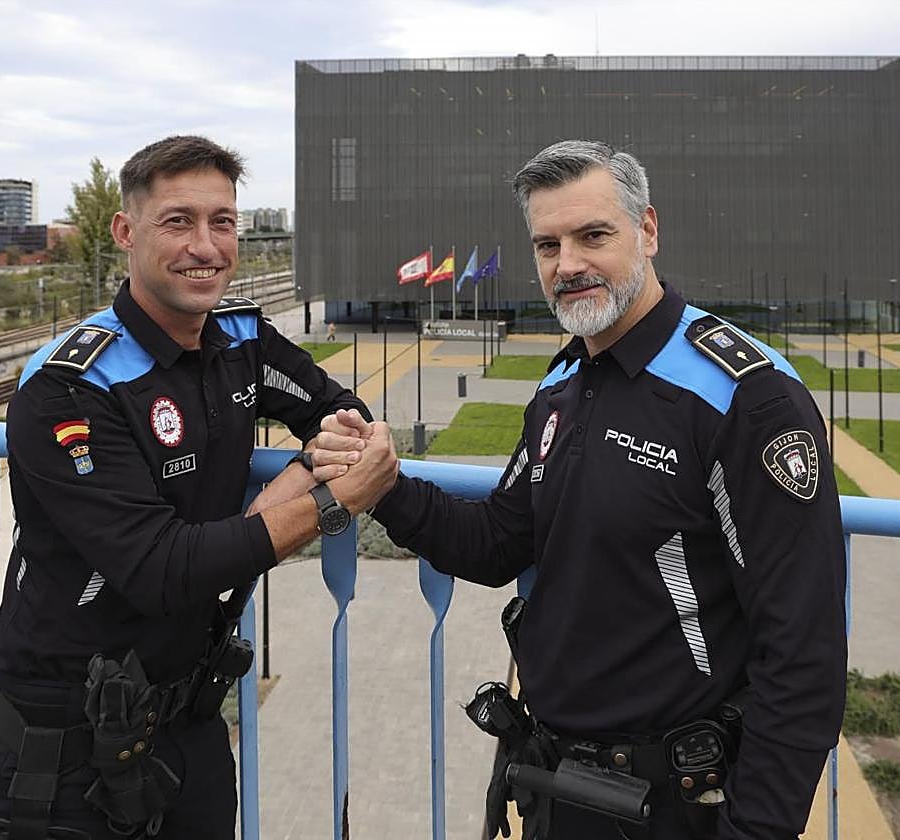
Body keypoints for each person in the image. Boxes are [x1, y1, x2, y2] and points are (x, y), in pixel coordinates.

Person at [315, 141, 847, 839]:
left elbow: (804, 647)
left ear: (648, 230)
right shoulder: (562, 384)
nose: (567, 265)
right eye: (547, 244)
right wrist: (381, 484)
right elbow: (499, 541)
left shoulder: (745, 397)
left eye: (593, 235)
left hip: (677, 805)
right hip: (556, 788)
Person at [0, 134, 397, 840]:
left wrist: (295, 475)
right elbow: (159, 571)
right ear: (126, 232)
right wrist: (328, 504)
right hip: (64, 751)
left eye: (222, 222)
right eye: (178, 221)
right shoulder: (70, 387)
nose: (207, 245)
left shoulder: (240, 341)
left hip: (187, 727)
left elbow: (340, 411)